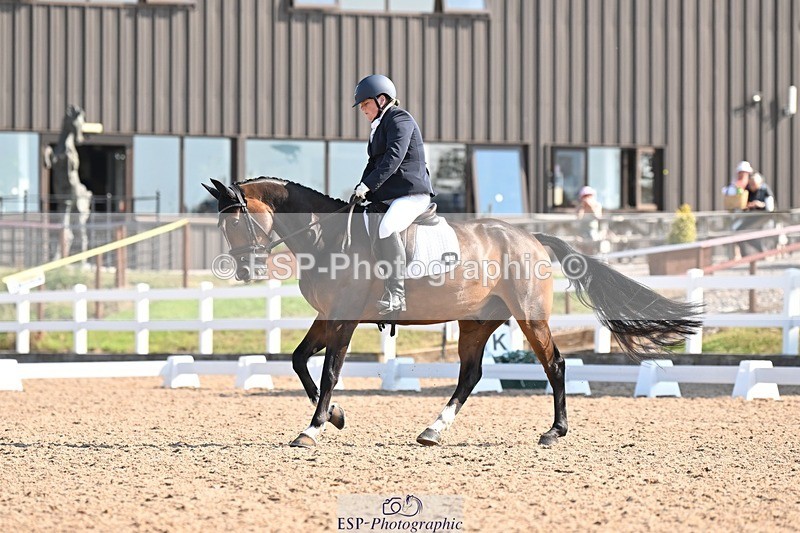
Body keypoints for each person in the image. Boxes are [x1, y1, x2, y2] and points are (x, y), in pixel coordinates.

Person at [351, 74, 435, 315]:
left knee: (387, 227)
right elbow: (373, 163)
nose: (363, 109)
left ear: (381, 99)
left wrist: (369, 185)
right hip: (392, 195)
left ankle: (397, 295)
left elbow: (393, 159)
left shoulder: (400, 119)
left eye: (365, 103)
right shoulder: (378, 126)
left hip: (411, 193)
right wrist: (360, 188)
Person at [737, 171, 776, 255]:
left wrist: (760, 205)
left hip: (763, 219)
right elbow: (742, 206)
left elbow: (770, 208)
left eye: (754, 184)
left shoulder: (765, 190)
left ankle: (763, 252)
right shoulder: (747, 190)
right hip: (750, 218)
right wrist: (747, 206)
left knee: (751, 234)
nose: (752, 186)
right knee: (738, 232)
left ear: (760, 183)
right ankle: (746, 256)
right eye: (750, 183)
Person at [575, 185, 603, 252]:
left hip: (593, 230)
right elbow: (578, 218)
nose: (587, 198)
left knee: (593, 242)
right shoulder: (580, 206)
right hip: (582, 231)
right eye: (585, 196)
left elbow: (598, 216)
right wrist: (582, 207)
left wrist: (591, 207)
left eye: (589, 196)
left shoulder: (597, 205)